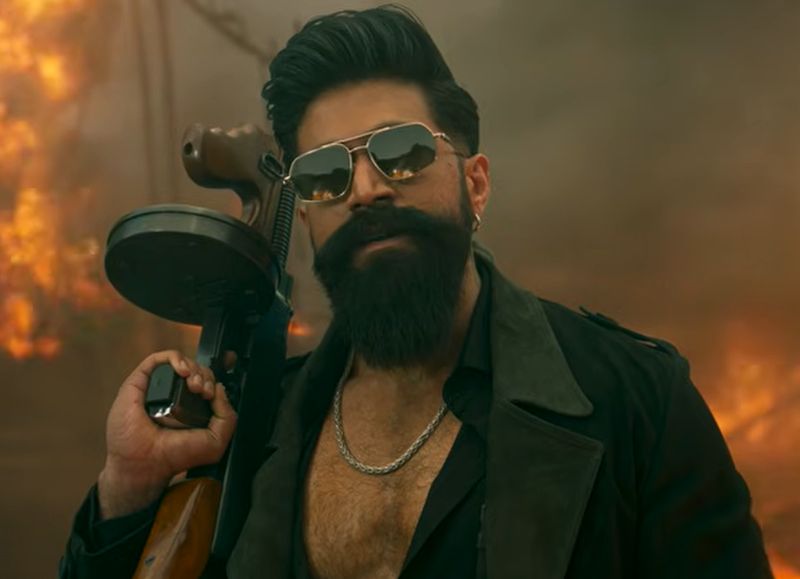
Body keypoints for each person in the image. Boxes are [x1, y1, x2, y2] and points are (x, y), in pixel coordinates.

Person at [59, 5, 773, 578]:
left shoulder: (636, 403)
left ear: (475, 183)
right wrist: (129, 487)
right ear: (306, 215)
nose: (366, 189)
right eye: (325, 173)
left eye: (401, 152)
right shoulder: (250, 423)